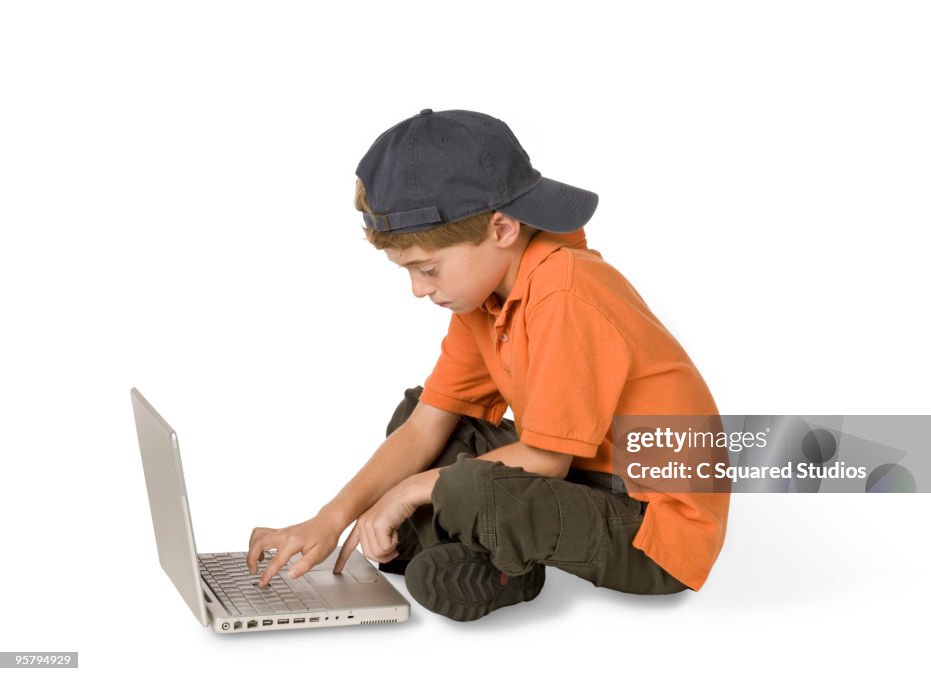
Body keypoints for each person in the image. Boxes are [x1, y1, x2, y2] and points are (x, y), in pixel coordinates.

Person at [246, 108, 730, 621]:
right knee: (426, 420)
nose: (417, 289)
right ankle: (480, 556)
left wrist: (411, 492)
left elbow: (547, 462)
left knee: (459, 483)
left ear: (501, 228)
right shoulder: (485, 300)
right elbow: (425, 427)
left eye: (428, 269)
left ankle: (499, 564)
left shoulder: (566, 292)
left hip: (654, 530)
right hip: (586, 481)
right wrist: (329, 518)